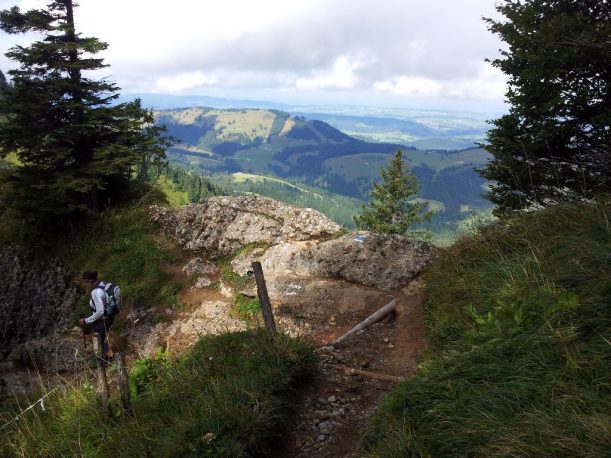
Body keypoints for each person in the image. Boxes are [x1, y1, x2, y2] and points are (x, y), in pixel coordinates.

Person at [79, 271, 114, 358]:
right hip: (109, 317)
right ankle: (106, 360)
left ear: (88, 281)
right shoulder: (102, 284)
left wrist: (86, 320)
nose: (84, 284)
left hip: (103, 320)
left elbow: (100, 311)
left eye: (84, 282)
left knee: (97, 341)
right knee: (101, 340)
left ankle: (106, 361)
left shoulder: (95, 292)